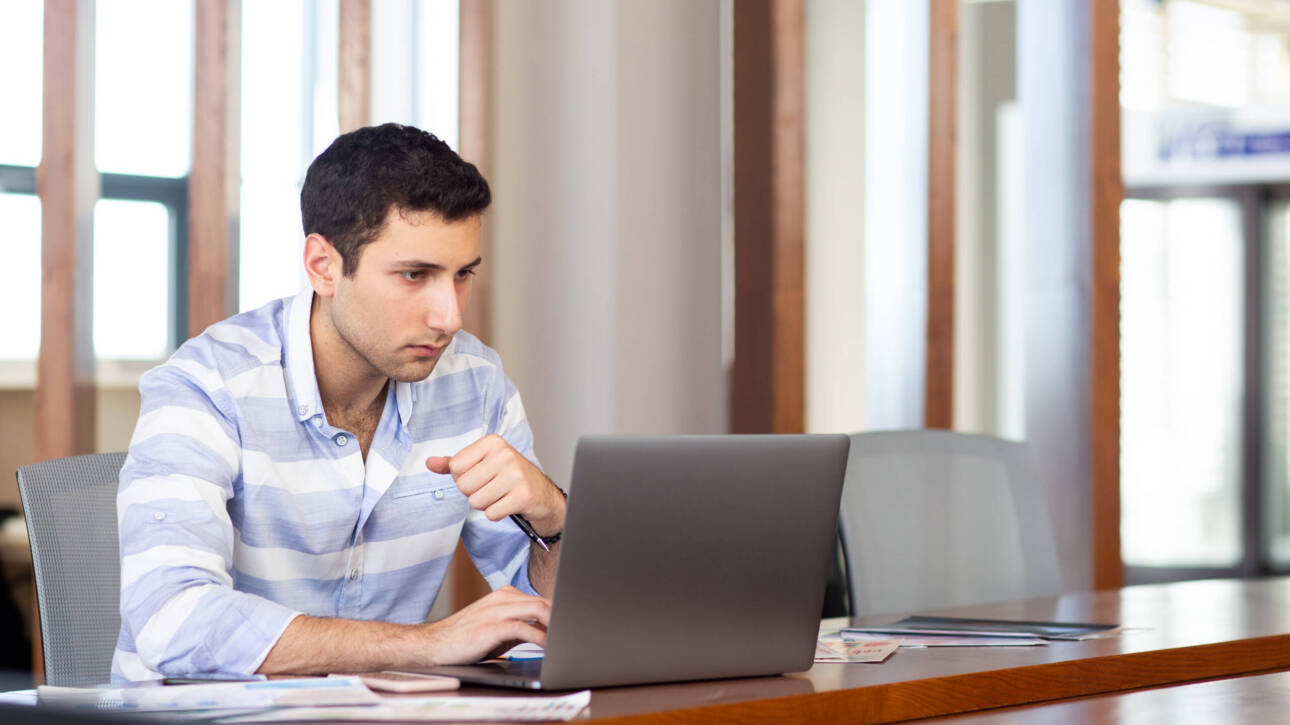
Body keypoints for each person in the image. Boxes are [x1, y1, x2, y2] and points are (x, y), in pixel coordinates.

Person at [113, 123, 565, 681]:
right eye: (414, 275)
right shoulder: (207, 385)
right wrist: (425, 645)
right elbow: (172, 620)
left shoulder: (475, 384)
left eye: (462, 275)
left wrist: (556, 518)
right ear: (323, 266)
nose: (449, 316)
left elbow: (543, 615)